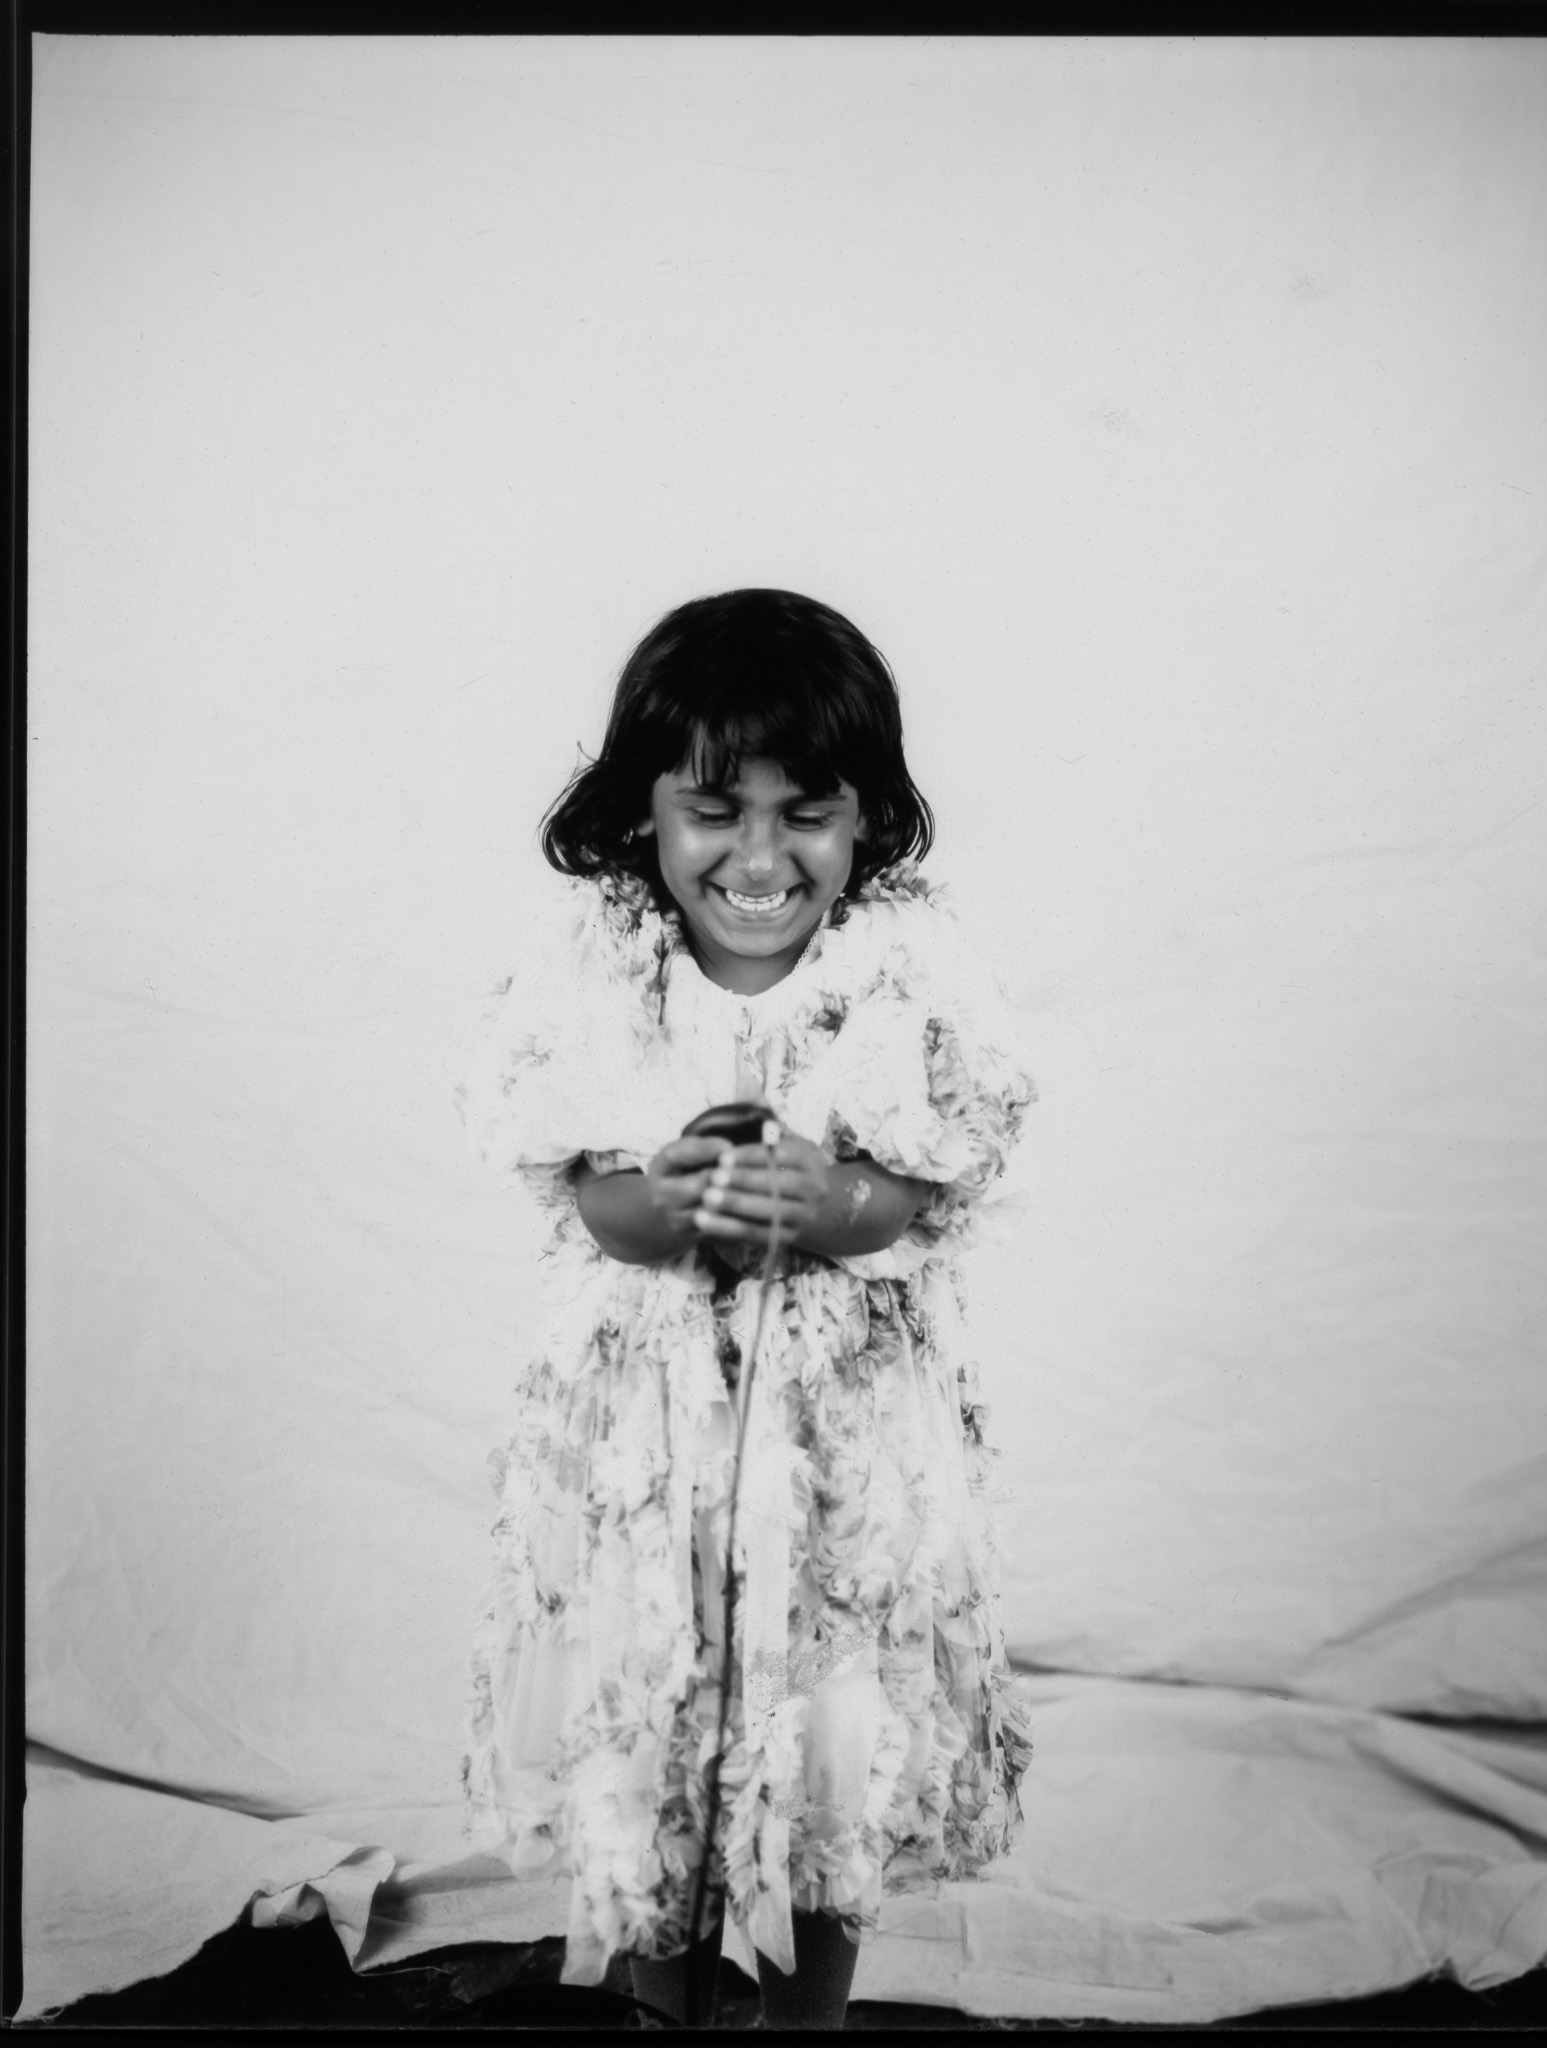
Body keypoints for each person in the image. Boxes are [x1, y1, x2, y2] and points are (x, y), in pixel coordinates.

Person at [457, 588, 1035, 2029]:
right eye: (715, 810)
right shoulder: (603, 969)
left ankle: (807, 2016)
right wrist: (671, 1203)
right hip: (647, 1449)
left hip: (841, 1457)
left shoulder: (901, 975)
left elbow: (911, 1190)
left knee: (829, 1731)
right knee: (653, 1717)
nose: (761, 858)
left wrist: (828, 1201)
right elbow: (594, 1202)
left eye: (808, 814)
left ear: (866, 819)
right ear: (643, 810)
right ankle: (663, 2004)